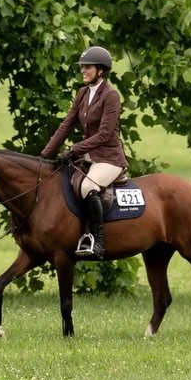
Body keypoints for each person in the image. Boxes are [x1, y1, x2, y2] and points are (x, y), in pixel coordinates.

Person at [40, 44, 128, 257]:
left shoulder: (111, 96)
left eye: (88, 67)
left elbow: (104, 135)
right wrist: (45, 155)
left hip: (109, 158)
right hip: (90, 157)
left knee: (88, 186)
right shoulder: (82, 93)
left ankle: (97, 242)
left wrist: (74, 149)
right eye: (82, 67)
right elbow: (66, 125)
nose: (83, 71)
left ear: (101, 70)